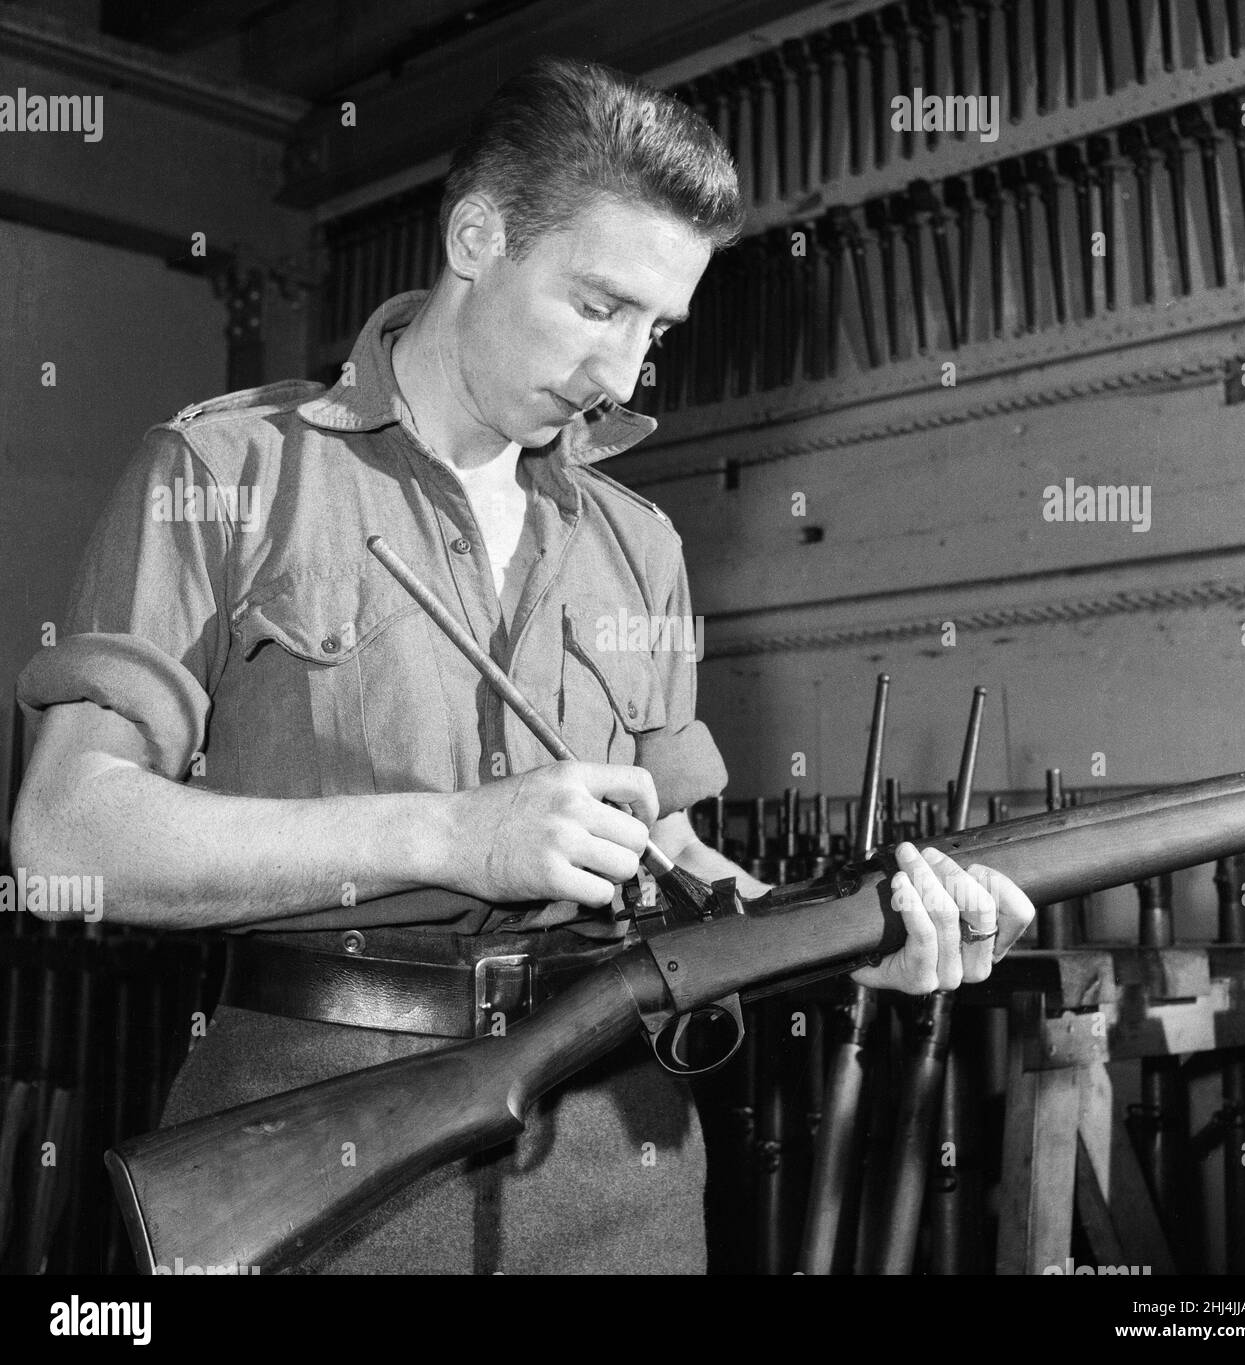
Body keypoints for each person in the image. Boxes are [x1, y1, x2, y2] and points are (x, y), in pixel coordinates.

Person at [11, 56, 1034, 1274]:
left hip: (621, 1162)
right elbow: (68, 840)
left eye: (655, 329)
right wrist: (452, 837)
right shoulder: (221, 475)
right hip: (307, 1146)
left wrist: (877, 935)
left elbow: (680, 865)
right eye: (598, 306)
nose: (621, 374)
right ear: (477, 234)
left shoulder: (638, 544)